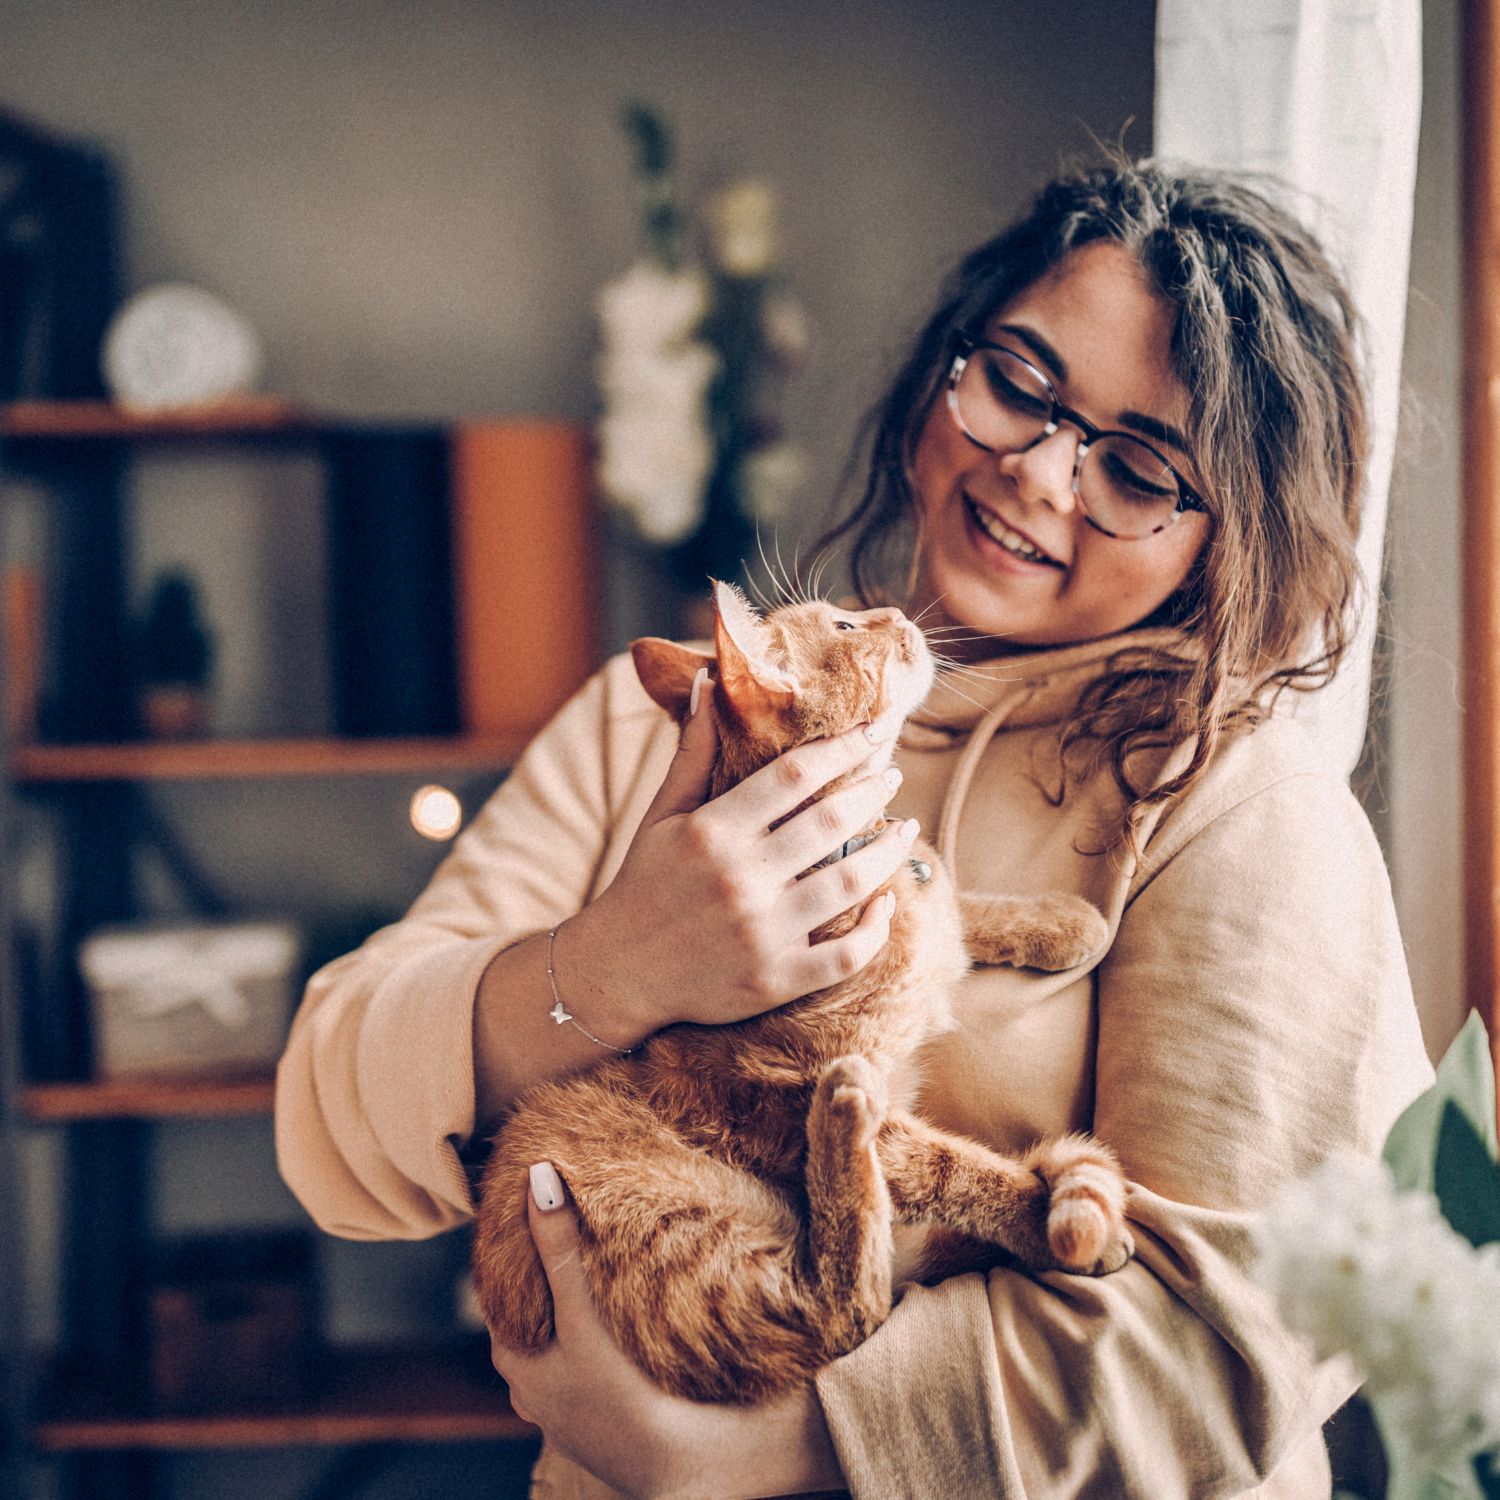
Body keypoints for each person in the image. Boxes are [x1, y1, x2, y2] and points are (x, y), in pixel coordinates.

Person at [275, 158, 1434, 1499]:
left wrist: (762, 1450)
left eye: (1135, 468)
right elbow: (328, 1127)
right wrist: (607, 974)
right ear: (949, 368)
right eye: (1020, 383)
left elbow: (1251, 1326)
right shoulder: (685, 708)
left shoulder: (1231, 802)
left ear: (1223, 544)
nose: (1041, 474)